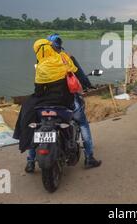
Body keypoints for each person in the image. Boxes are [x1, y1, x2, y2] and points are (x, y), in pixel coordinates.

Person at [47, 33, 101, 170]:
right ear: (60, 46)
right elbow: (80, 75)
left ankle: (30, 160)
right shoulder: (67, 58)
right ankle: (89, 157)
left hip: (45, 100)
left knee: (36, 124)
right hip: (67, 99)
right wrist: (88, 85)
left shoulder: (42, 60)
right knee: (83, 123)